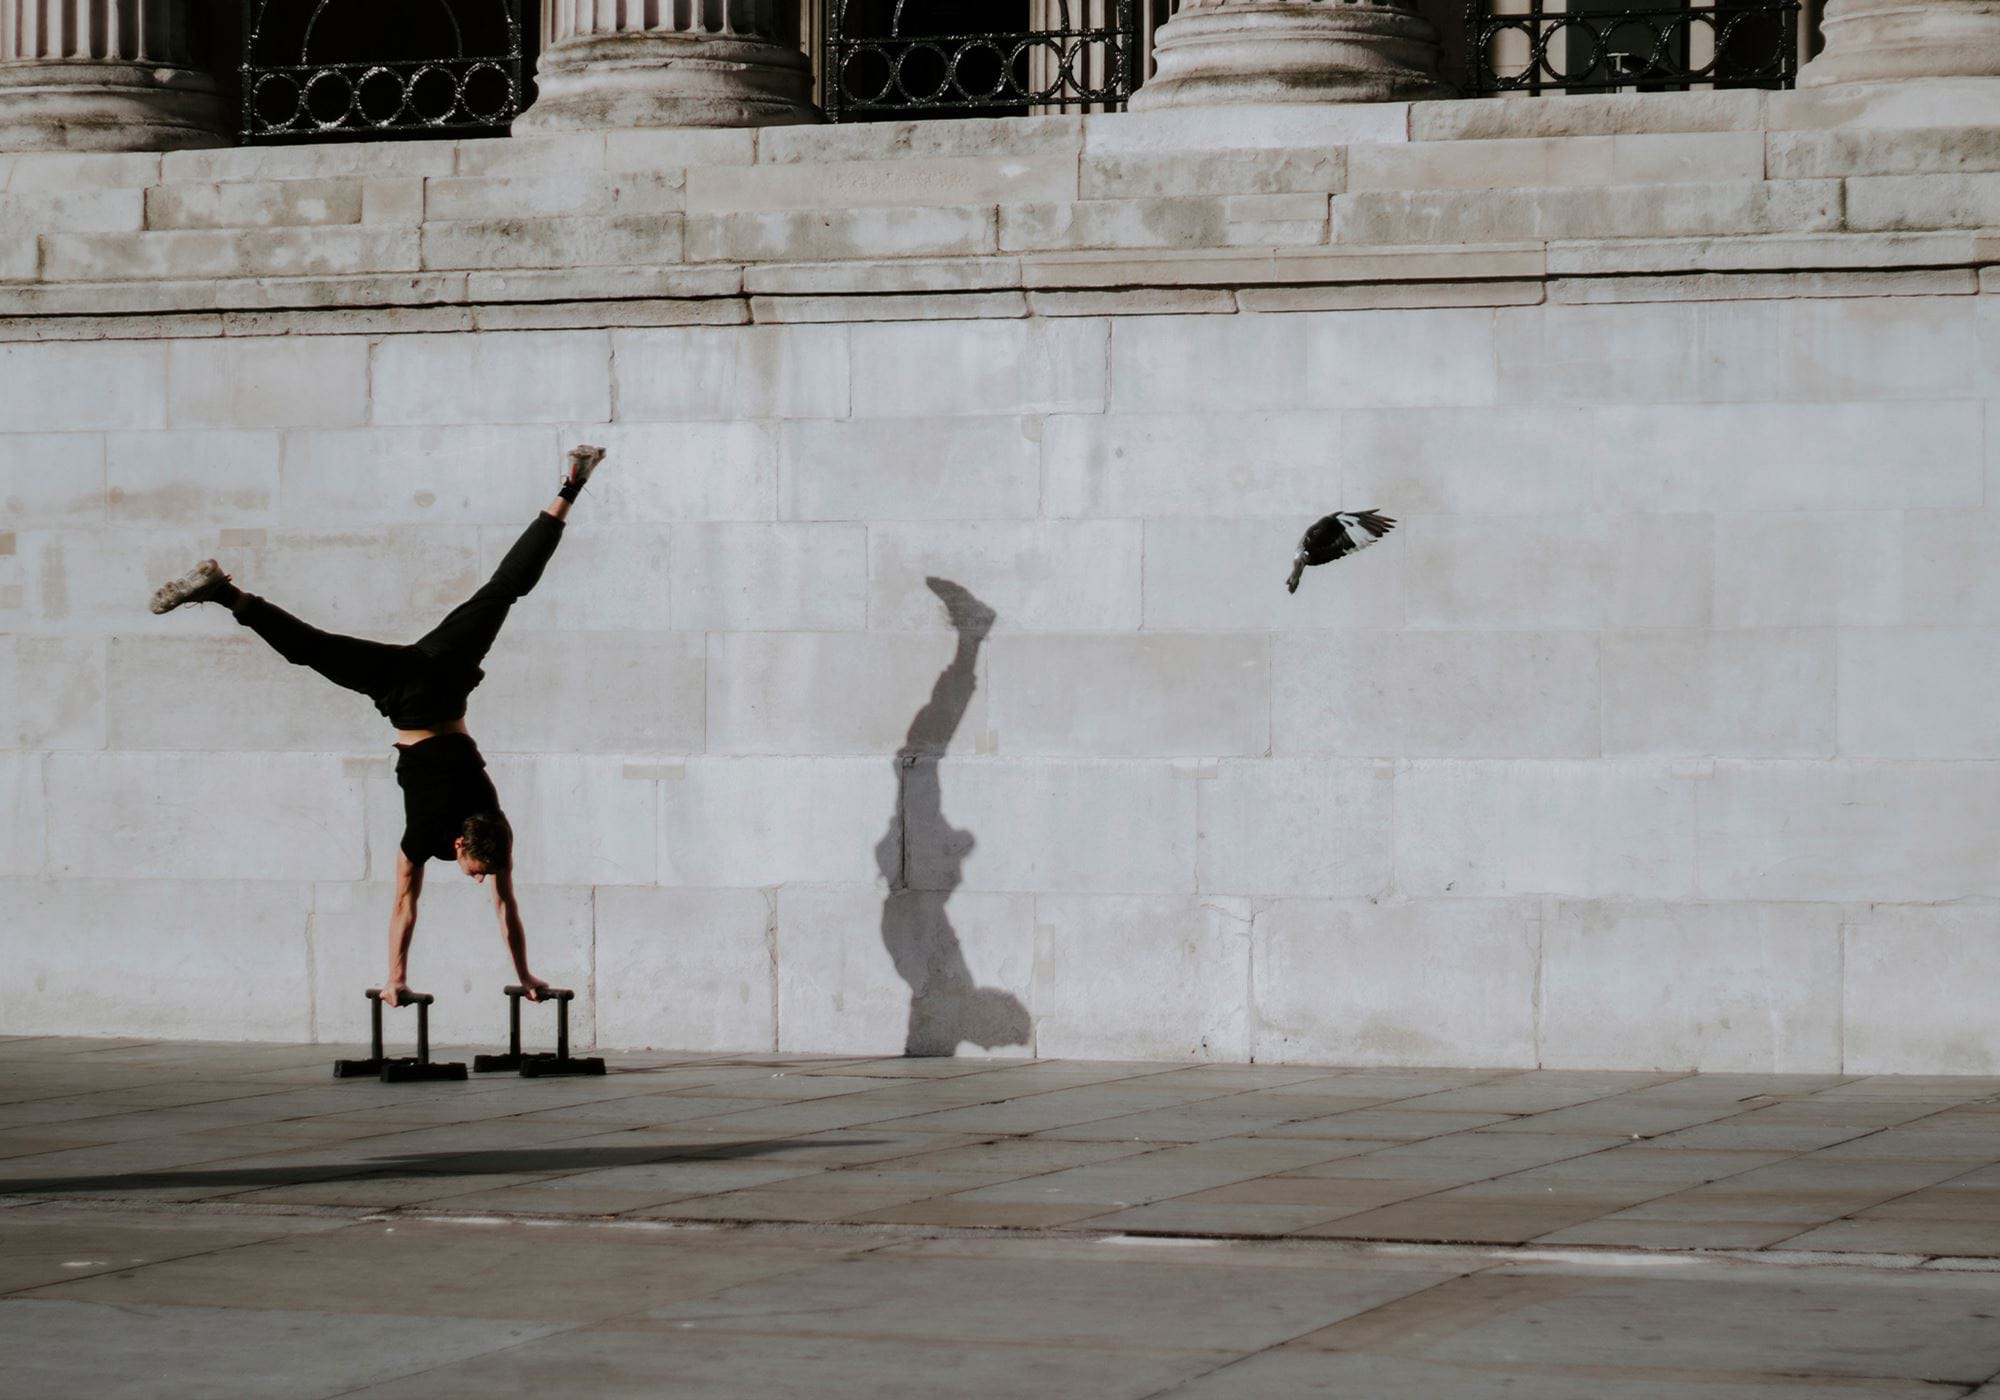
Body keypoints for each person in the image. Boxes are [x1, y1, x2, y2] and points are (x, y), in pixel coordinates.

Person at [147, 445, 608, 1008]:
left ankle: (571, 486)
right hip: (405, 698)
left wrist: (524, 970)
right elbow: (406, 906)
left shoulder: (492, 822)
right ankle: (224, 593)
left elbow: (504, 907)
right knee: (312, 651)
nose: (476, 877)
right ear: (461, 842)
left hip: (446, 672)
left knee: (502, 589)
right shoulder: (431, 837)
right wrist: (396, 978)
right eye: (474, 869)